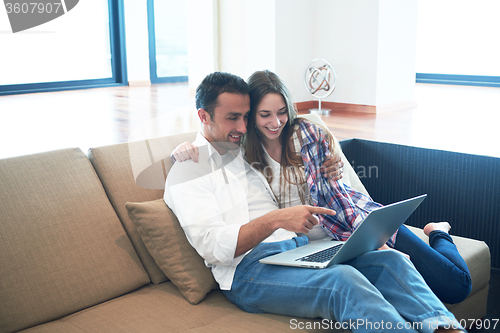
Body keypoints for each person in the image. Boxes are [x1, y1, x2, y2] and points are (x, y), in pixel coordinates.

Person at [164, 71, 465, 332]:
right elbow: (214, 247)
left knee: (391, 260)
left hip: (298, 251)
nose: (243, 127)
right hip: (248, 273)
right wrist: (278, 219)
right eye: (233, 118)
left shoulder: (242, 148)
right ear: (203, 116)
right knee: (341, 281)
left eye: (245, 117)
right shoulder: (190, 169)